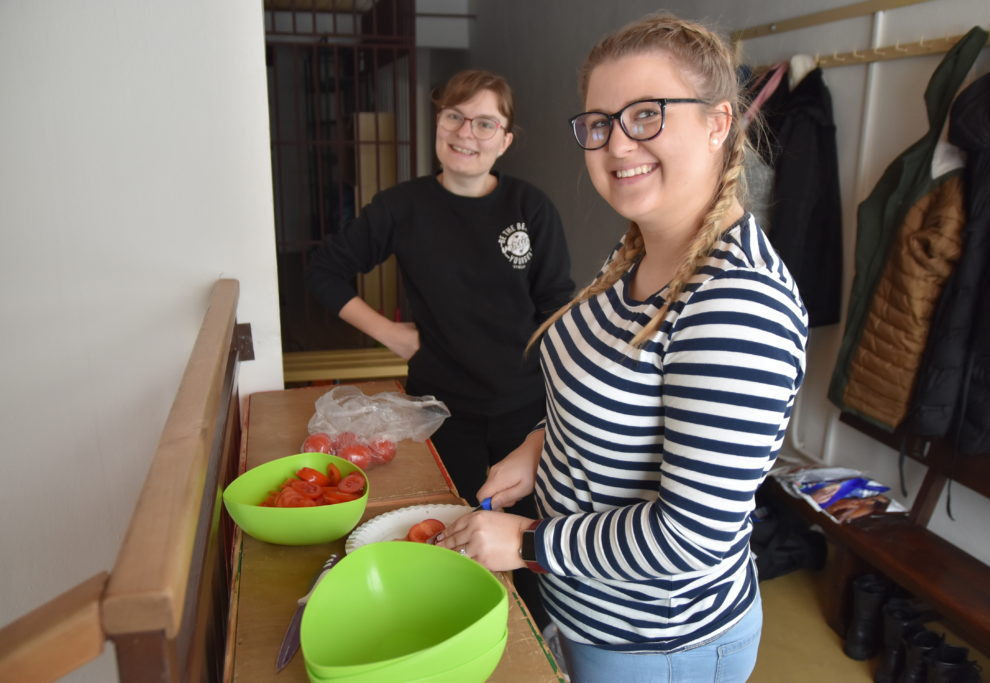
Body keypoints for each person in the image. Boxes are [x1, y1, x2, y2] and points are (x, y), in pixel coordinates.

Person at [435, 14, 808, 683]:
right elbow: (615, 393)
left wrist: (526, 543)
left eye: (646, 114)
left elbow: (689, 538)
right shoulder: (640, 248)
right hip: (588, 611)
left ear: (718, 122)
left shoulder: (736, 304)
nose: (616, 144)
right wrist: (541, 445)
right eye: (599, 123)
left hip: (657, 643)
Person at [306, 68, 573, 627]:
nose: (466, 133)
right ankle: (457, 627)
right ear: (438, 123)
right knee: (450, 535)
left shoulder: (530, 208)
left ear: (505, 139)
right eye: (455, 116)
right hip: (442, 411)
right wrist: (390, 333)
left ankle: (533, 635)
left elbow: (557, 309)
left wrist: (561, 409)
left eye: (484, 123)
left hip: (526, 410)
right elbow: (324, 269)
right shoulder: (402, 206)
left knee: (527, 542)